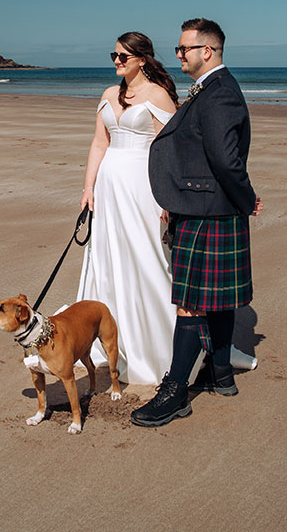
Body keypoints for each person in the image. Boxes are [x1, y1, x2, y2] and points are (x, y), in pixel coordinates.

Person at [132, 18, 262, 427]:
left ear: (207, 51)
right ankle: (219, 373)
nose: (177, 55)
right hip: (204, 206)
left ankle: (175, 392)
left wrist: (244, 199)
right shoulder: (211, 89)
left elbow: (226, 159)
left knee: (189, 305)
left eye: (183, 49)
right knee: (217, 300)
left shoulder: (220, 93)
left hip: (208, 211)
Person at [76, 32, 179, 386]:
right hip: (108, 189)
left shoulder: (158, 95)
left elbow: (170, 151)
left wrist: (167, 198)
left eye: (123, 56)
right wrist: (88, 187)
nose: (117, 61)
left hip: (142, 188)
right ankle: (105, 338)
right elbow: (98, 142)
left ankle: (161, 343)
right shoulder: (108, 95)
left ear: (142, 59)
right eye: (114, 55)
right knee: (106, 259)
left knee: (146, 257)